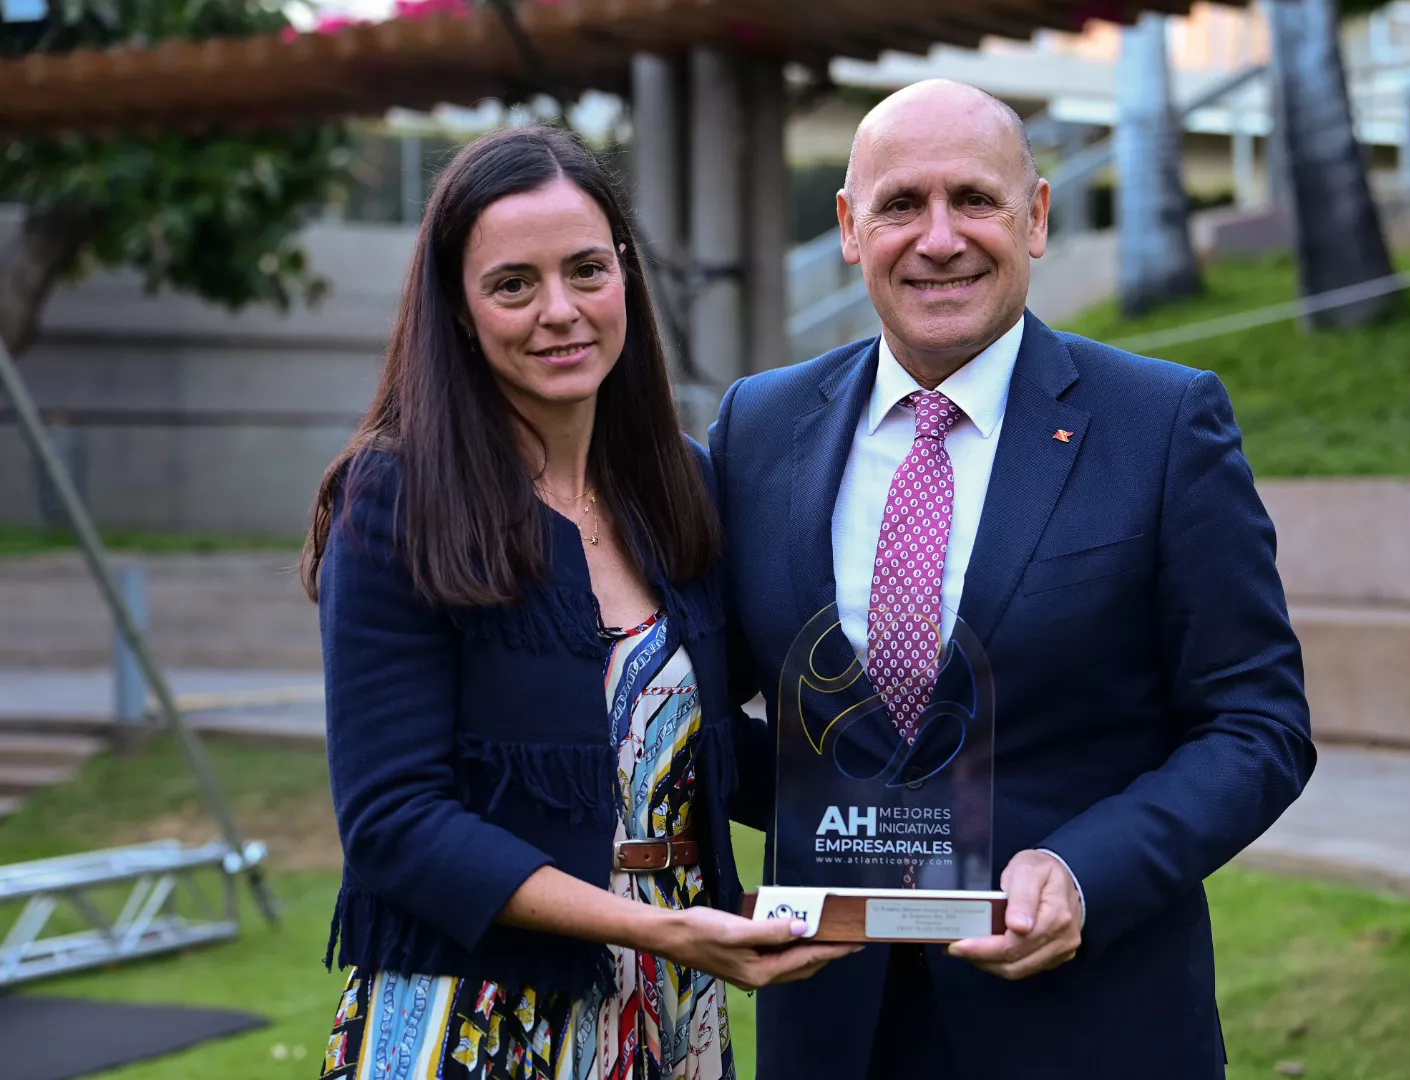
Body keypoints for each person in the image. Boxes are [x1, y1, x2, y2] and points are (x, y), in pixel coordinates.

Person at [711, 80, 1315, 1079]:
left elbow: (1256, 726)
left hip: (1087, 1022)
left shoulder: (1163, 425)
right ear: (851, 228)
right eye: (902, 205)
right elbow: (699, 704)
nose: (940, 238)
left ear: (1034, 216)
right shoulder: (757, 429)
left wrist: (1086, 870)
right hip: (832, 1024)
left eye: (974, 200)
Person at [301, 125, 856, 1080]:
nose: (560, 311)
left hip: (673, 1003)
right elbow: (394, 821)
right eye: (514, 284)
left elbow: (708, 745)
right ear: (459, 309)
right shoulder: (396, 498)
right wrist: (657, 929)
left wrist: (934, 815)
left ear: (626, 276)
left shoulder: (679, 485)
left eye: (587, 270)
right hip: (477, 1014)